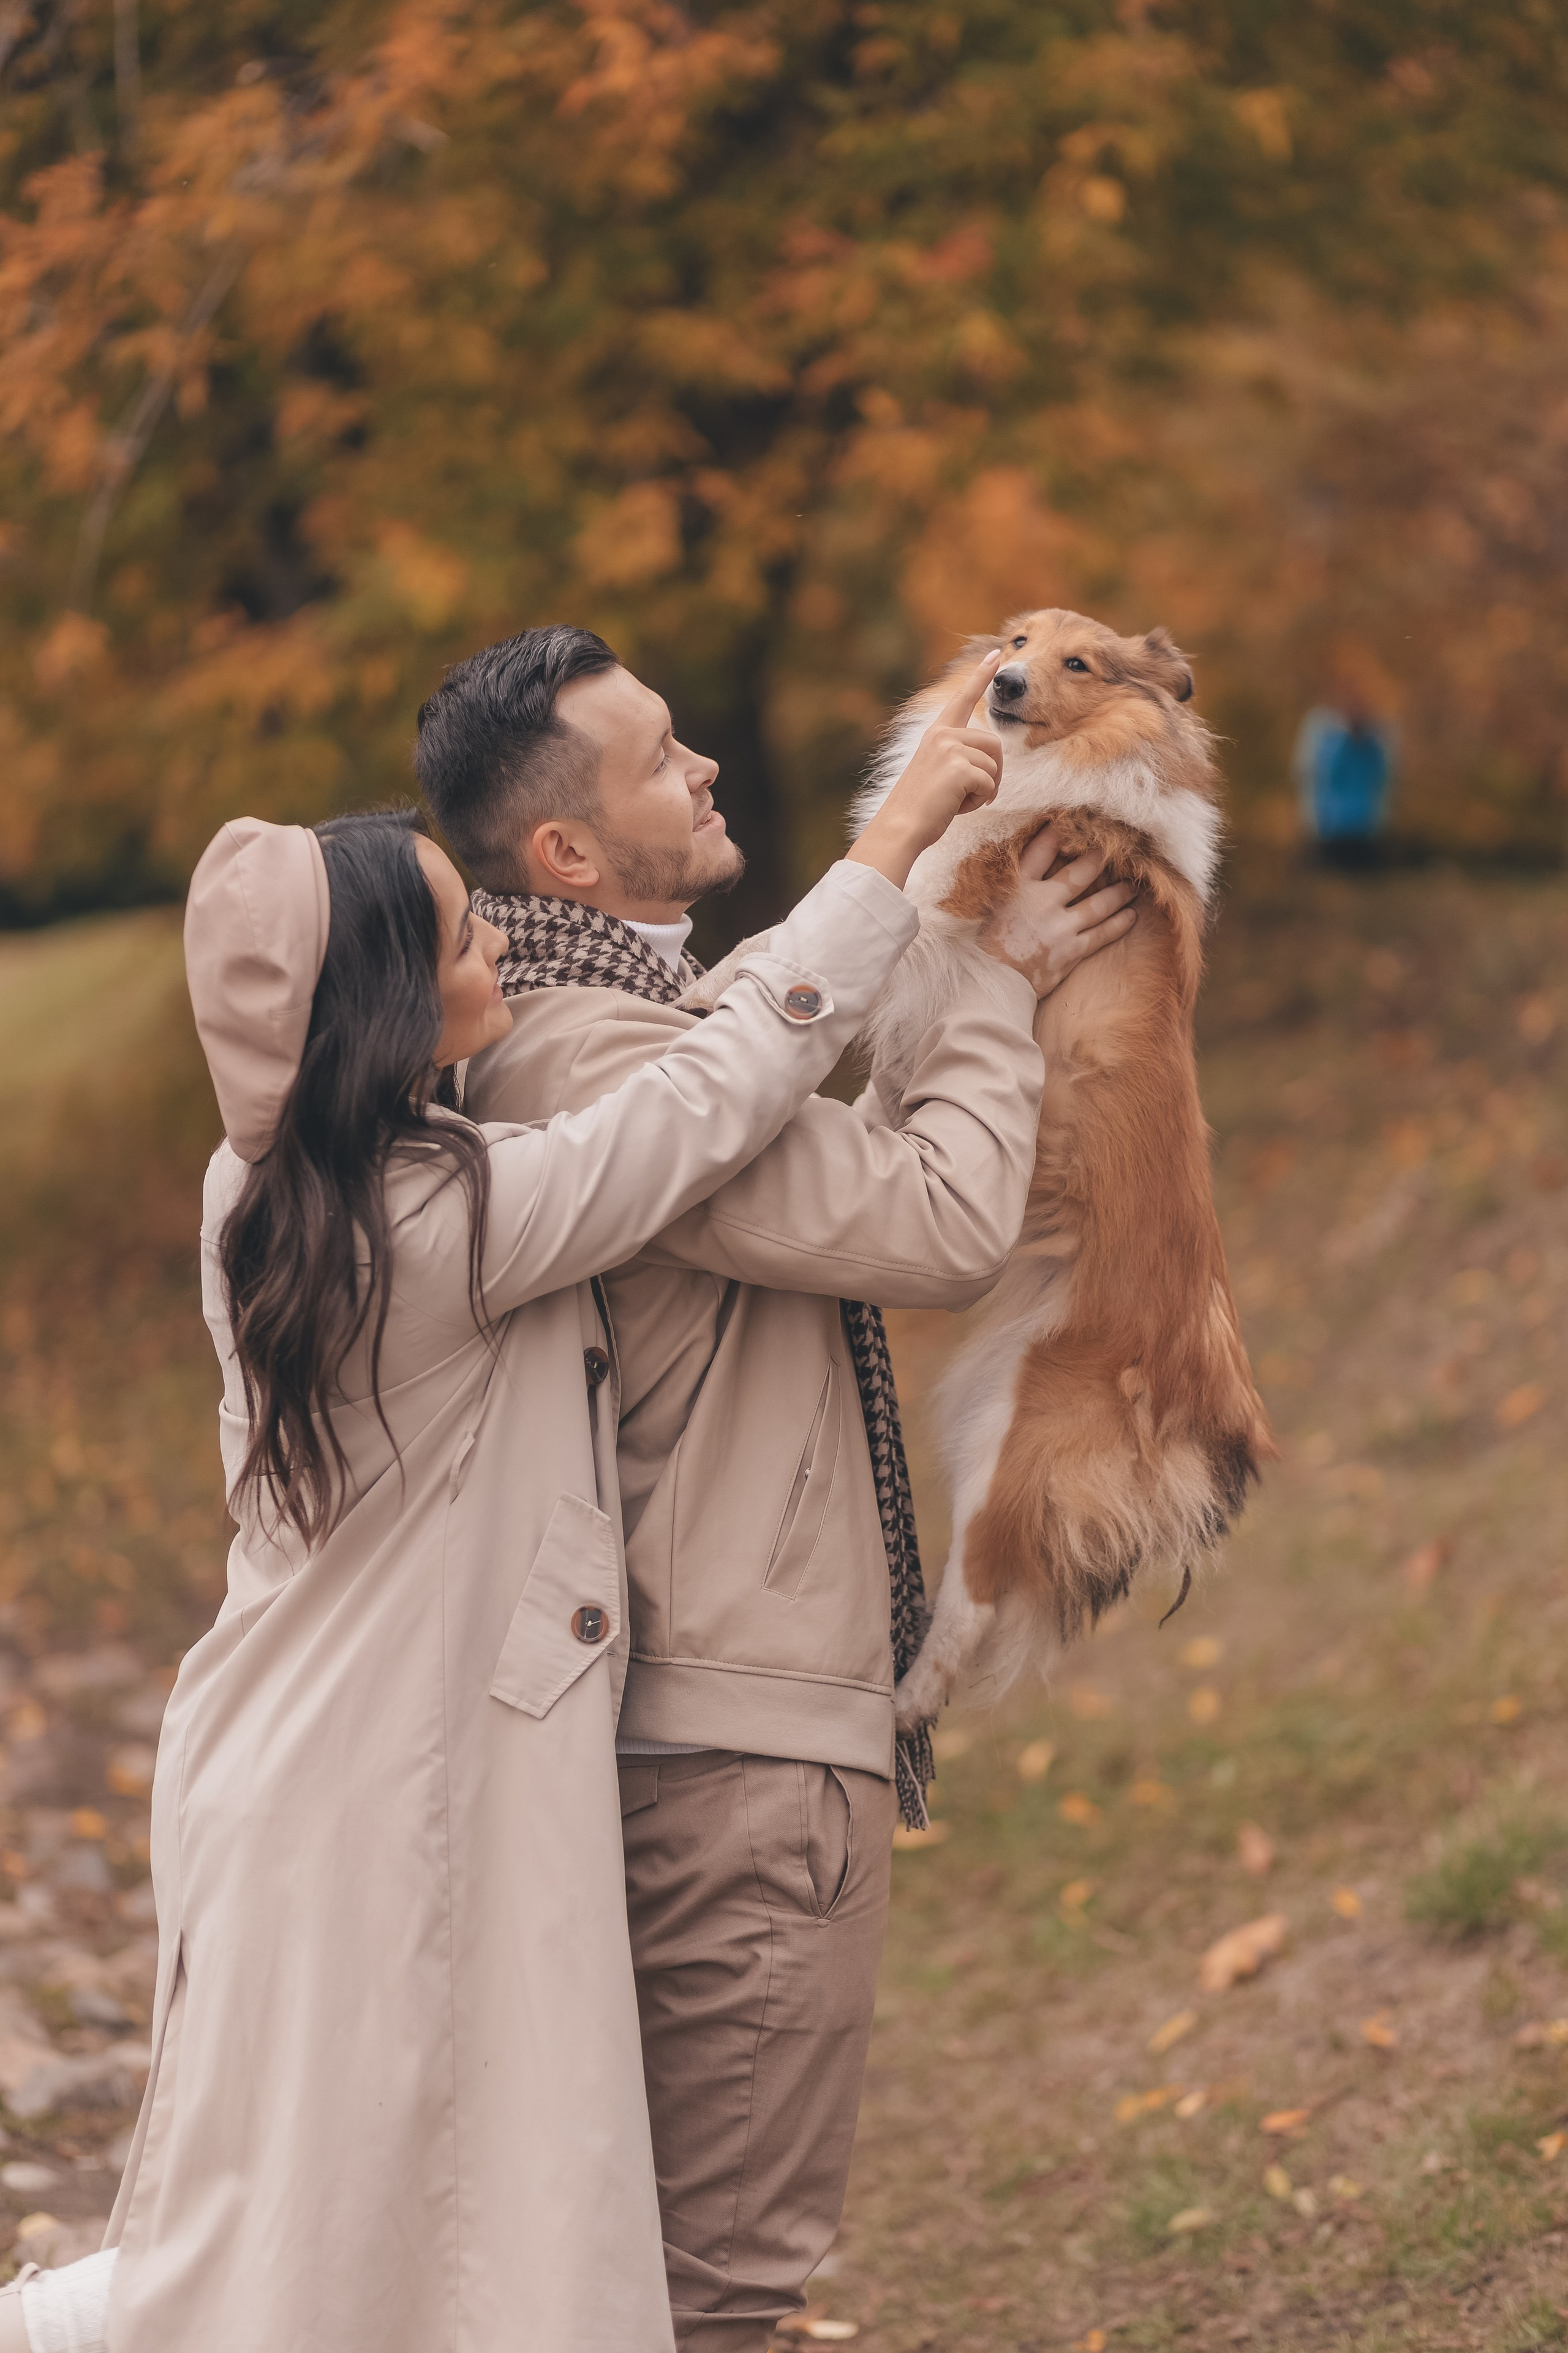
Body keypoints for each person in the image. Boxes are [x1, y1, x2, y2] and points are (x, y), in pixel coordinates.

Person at [0, 719, 1003, 2352]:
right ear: (392, 1006)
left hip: (308, 1770)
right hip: (379, 1794)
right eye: (469, 932)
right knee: (357, 2244)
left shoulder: (275, 1188)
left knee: (333, 2226)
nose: (500, 947)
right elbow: (704, 1098)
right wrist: (888, 859)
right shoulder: (441, 1222)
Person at [419, 626, 1139, 2352]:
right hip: (734, 1756)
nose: (709, 767)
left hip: (700, 1729)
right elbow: (940, 1220)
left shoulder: (638, 1028)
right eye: (662, 757)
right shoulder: (590, 1061)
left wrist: (955, 966)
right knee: (717, 2289)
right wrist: (983, 971)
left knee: (647, 2273)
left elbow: (813, 1119)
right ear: (567, 857)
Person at [1293, 691, 1398, 869]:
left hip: (1364, 831)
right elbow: (1320, 777)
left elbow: (1383, 779)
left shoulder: (1373, 744)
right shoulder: (1329, 738)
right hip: (1332, 832)